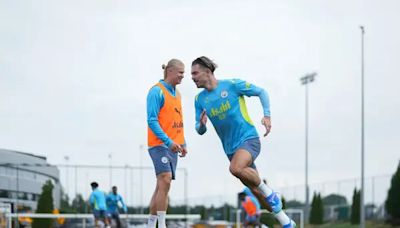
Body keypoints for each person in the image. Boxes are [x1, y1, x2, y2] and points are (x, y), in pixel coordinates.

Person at [191, 56, 295, 228]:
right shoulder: (199, 100)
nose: (192, 77)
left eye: (195, 73)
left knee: (236, 169)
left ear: (207, 72)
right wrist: (202, 125)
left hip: (248, 139)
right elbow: (199, 130)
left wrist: (267, 115)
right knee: (256, 191)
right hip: (230, 150)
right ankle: (286, 222)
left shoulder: (231, 85)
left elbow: (261, 92)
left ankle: (270, 192)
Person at [146, 59, 188, 228]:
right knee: (166, 179)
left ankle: (151, 225)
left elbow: (177, 120)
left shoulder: (178, 94)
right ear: (170, 71)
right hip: (159, 144)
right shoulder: (156, 91)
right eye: (181, 73)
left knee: (161, 186)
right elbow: (152, 120)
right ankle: (162, 224)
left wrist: (183, 143)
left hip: (173, 146)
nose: (183, 76)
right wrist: (168, 141)